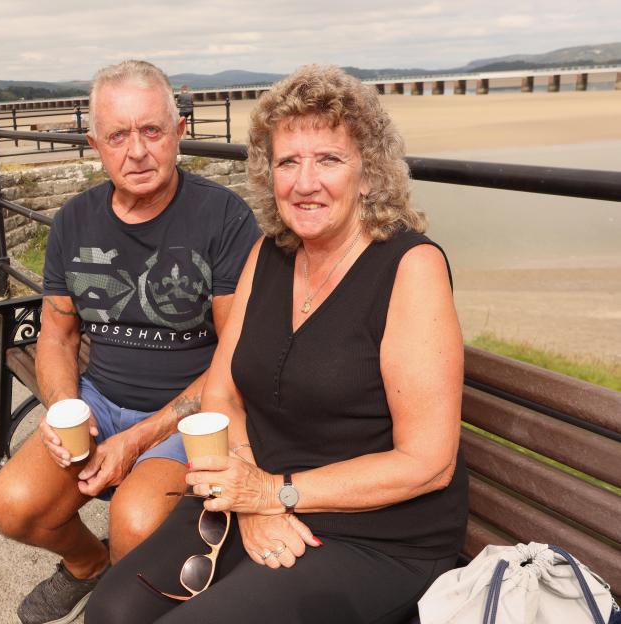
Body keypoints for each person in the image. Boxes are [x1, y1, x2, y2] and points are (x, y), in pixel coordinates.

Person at [87, 65, 468, 624]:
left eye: (329, 159)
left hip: (375, 532)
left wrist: (275, 494)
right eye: (288, 161)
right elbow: (220, 396)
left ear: (369, 173)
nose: (305, 182)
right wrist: (251, 491)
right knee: (111, 613)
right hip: (261, 486)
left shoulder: (410, 267)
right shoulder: (270, 252)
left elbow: (428, 463)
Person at [0, 60, 262, 624]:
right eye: (118, 135)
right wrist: (65, 408)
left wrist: (137, 440)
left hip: (192, 417)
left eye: (151, 131)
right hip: (100, 401)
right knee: (11, 506)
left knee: (136, 524)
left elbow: (236, 356)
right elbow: (58, 338)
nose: (136, 151)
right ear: (95, 144)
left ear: (179, 131)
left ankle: (133, 581)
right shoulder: (75, 221)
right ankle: (89, 566)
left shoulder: (223, 217)